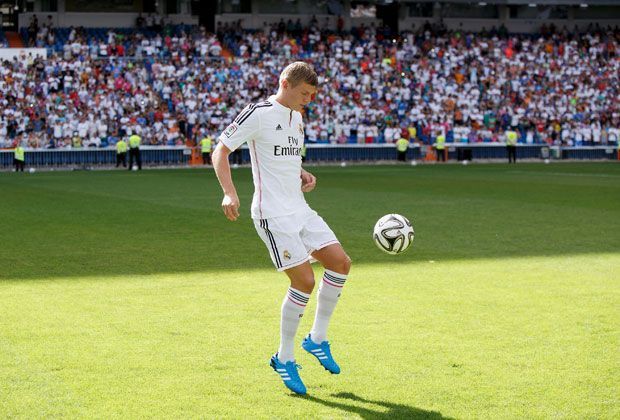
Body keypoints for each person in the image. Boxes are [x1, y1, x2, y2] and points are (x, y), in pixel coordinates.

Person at [212, 62, 351, 396]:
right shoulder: (257, 113)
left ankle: (316, 339)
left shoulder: (297, 118)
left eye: (312, 95)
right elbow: (221, 151)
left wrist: (302, 171)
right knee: (304, 280)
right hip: (273, 215)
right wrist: (229, 192)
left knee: (340, 263)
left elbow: (284, 157)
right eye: (304, 94)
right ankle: (284, 357)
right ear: (285, 83)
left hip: (299, 209)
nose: (308, 100)